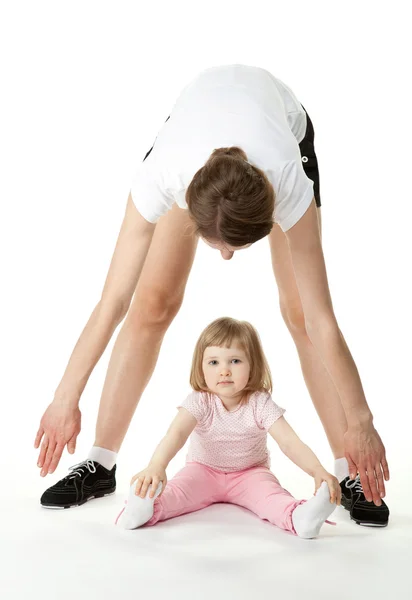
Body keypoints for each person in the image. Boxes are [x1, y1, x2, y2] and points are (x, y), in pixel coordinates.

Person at [35, 64, 389, 527]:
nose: (224, 258)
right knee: (153, 303)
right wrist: (65, 396)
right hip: (191, 139)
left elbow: (323, 321)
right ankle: (100, 464)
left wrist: (361, 421)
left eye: (236, 246)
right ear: (187, 207)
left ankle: (351, 470)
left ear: (270, 213)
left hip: (281, 126)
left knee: (300, 312)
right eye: (216, 243)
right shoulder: (163, 176)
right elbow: (112, 304)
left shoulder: (287, 182)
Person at [115, 317, 341, 539]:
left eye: (235, 361)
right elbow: (176, 434)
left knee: (272, 498)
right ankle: (143, 509)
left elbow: (290, 442)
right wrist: (157, 465)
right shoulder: (200, 400)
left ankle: (300, 518)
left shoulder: (259, 402)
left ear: (253, 366)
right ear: (201, 368)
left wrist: (317, 470)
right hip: (202, 470)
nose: (224, 371)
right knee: (176, 494)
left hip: (250, 474)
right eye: (214, 362)